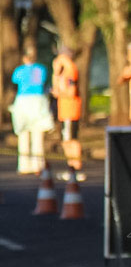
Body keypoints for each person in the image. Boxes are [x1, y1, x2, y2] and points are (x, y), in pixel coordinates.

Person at [10, 47, 54, 174]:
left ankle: (24, 165)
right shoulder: (40, 69)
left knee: (23, 134)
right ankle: (38, 165)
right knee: (38, 135)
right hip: (38, 101)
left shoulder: (19, 70)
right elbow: (41, 82)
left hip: (23, 101)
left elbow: (15, 81)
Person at [51, 46, 82, 174]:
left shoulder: (70, 70)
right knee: (66, 140)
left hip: (70, 110)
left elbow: (71, 91)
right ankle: (71, 167)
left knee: (71, 140)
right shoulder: (63, 72)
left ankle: (75, 168)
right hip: (64, 110)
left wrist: (59, 92)